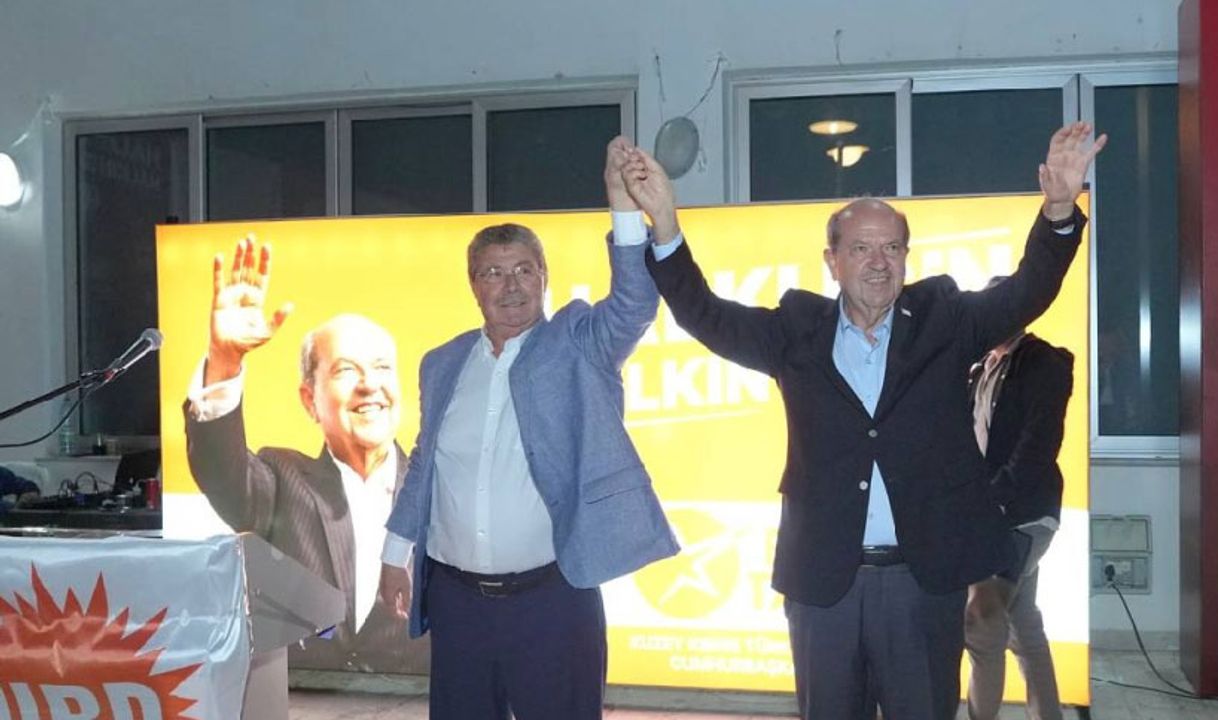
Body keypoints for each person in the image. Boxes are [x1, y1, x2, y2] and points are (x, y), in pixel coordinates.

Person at [628, 122, 1105, 720]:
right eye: (860, 249)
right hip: (824, 583)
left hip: (922, 581)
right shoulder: (796, 331)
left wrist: (1058, 210)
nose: (878, 263)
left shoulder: (945, 320)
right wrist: (665, 225)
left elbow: (1028, 290)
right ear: (832, 261)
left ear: (906, 257)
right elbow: (705, 314)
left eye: (892, 249)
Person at [379, 136, 679, 720]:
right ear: (474, 285)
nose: (510, 285)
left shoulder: (578, 346)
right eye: (493, 273)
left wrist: (622, 203)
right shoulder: (442, 363)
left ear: (544, 277)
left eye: (523, 270)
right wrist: (395, 553)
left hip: (553, 600)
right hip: (458, 604)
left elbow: (633, 304)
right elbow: (424, 464)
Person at [183, 238, 428, 673]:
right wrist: (223, 361)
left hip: (417, 700)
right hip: (298, 700)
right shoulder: (281, 480)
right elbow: (220, 471)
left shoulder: (440, 488)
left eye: (382, 368)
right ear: (309, 400)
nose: (369, 384)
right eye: (346, 370)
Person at [964, 297, 1074, 720]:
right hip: (989, 511)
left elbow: (1038, 444)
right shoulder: (979, 366)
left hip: (1021, 512)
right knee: (1022, 623)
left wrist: (994, 498)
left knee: (982, 621)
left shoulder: (1043, 362)